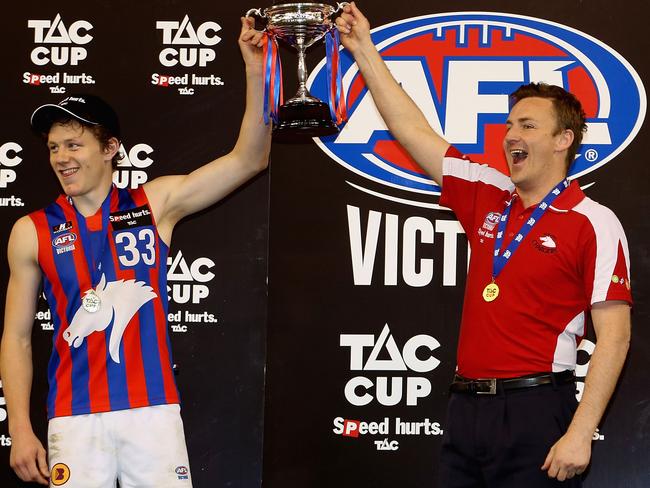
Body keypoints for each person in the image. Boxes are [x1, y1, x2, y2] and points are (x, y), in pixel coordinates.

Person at [336, 3, 631, 487]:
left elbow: (614, 336)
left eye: (528, 126)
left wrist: (582, 432)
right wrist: (364, 50)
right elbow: (412, 131)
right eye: (510, 125)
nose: (511, 135)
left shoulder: (592, 221)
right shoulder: (487, 191)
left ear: (564, 140)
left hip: (537, 408)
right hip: (465, 408)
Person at [0, 17, 270, 487]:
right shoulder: (31, 230)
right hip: (73, 416)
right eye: (53, 147)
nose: (62, 157)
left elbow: (250, 159)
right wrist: (19, 429)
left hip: (152, 412)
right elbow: (17, 338)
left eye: (75, 144)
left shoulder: (156, 203)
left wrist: (255, 68)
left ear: (110, 148)